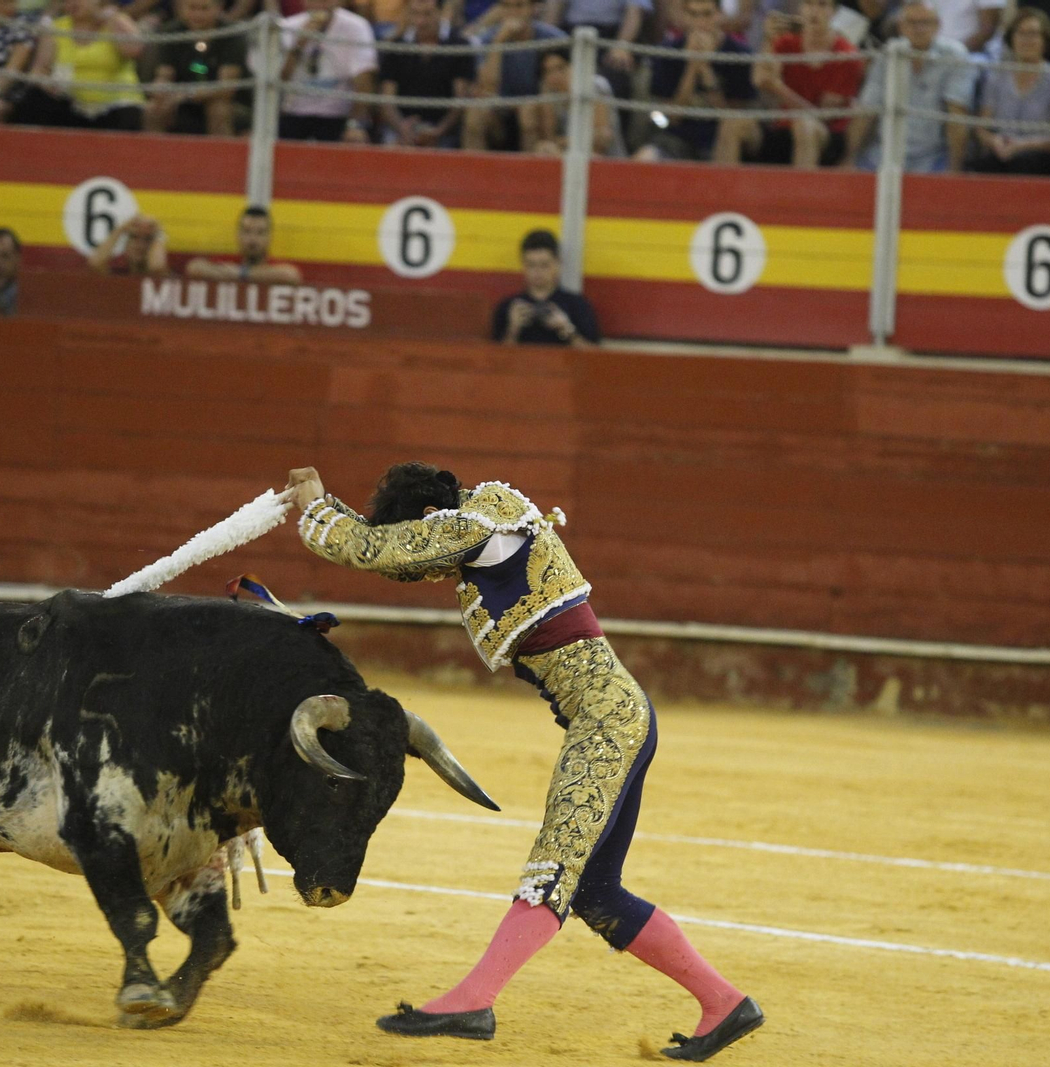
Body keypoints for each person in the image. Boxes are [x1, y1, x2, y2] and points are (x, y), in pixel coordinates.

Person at [280, 461, 764, 1062]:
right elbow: (403, 553)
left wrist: (315, 510)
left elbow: (385, 551)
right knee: (595, 892)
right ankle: (724, 1004)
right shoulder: (488, 523)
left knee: (553, 870)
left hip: (606, 724)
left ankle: (474, 1000)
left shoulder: (478, 521)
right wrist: (329, 507)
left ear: (434, 515)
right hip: (613, 717)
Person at [720, 0, 866, 167]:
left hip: (826, 136)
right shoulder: (786, 43)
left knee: (804, 127)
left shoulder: (846, 55)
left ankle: (803, 192)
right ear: (801, 8)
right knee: (732, 123)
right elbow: (759, 78)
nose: (814, 11)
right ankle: (720, 191)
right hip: (783, 129)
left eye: (822, 4)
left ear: (833, 12)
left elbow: (823, 117)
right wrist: (768, 39)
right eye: (809, 4)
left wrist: (778, 88)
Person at [841, 0, 977, 170]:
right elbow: (866, 112)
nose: (918, 28)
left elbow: (957, 116)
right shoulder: (887, 55)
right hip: (882, 155)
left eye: (925, 22)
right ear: (901, 26)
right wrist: (849, 158)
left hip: (934, 158)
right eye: (912, 22)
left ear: (938, 25)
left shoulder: (956, 56)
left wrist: (955, 169)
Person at [639, 0, 756, 163]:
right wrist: (692, 68)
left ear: (720, 15)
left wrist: (706, 69)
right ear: (684, 17)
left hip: (721, 139)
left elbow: (731, 118)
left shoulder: (740, 55)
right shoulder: (667, 53)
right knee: (644, 158)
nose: (700, 22)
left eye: (707, 14)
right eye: (693, 14)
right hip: (676, 138)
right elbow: (667, 119)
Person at [968, 7, 1050, 175]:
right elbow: (982, 127)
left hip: (1041, 156)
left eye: (1033, 34)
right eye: (1021, 33)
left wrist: (1021, 145)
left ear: (1045, 39)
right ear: (1012, 38)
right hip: (1002, 151)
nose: (1027, 40)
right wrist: (995, 141)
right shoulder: (995, 76)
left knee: (1022, 165)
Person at [14, 0, 145, 130]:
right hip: (69, 103)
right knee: (35, 98)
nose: (72, 3)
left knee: (127, 115)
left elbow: (134, 50)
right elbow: (38, 70)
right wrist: (49, 85)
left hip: (115, 105)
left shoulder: (116, 21)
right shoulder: (56, 28)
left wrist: (112, 17)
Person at [264, 0, 377, 142]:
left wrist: (354, 124)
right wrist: (300, 43)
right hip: (294, 113)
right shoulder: (288, 26)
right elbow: (277, 80)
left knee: (356, 137)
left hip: (338, 115)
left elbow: (364, 81)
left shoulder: (357, 27)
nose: (320, 4)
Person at [465, 0, 568, 150]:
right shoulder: (486, 39)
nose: (513, 12)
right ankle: (473, 172)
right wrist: (499, 42)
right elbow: (487, 89)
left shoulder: (553, 38)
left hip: (539, 111)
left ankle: (530, 170)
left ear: (533, 8)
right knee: (475, 115)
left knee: (528, 112)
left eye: (519, 6)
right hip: (499, 112)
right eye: (506, 6)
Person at [377, 0, 475, 148]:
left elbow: (460, 99)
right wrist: (402, 128)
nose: (420, 22)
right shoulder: (396, 46)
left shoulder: (460, 45)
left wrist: (439, 131)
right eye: (415, 14)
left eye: (427, 14)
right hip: (400, 128)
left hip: (445, 133)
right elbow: (386, 99)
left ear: (442, 13)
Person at [145, 0, 246, 135]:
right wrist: (160, 90)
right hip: (181, 100)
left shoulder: (231, 35)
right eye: (192, 8)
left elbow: (226, 89)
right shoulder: (171, 32)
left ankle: (219, 155)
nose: (198, 14)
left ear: (219, 8)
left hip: (231, 103)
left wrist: (187, 94)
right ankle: (155, 154)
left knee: (218, 109)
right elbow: (164, 74)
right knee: (154, 109)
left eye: (204, 9)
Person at [491, 229, 600, 346]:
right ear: (523, 265)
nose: (537, 272)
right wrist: (513, 329)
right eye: (531, 265)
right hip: (521, 364)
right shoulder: (508, 306)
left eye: (544, 265)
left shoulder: (577, 305)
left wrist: (567, 330)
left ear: (557, 263)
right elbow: (495, 360)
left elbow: (594, 356)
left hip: (563, 364)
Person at [525, 47, 624, 154]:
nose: (555, 76)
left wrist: (563, 142)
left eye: (560, 68)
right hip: (567, 154)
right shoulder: (551, 95)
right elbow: (550, 139)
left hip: (604, 159)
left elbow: (602, 138)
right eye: (548, 72)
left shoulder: (595, 86)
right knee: (543, 149)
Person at [185, 205, 304, 281]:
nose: (253, 239)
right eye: (247, 231)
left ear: (270, 237)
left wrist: (241, 274)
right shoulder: (227, 262)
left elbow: (291, 275)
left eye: (260, 232)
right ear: (238, 235)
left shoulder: (275, 267)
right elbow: (194, 267)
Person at [88, 213, 170, 275]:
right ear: (126, 245)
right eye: (134, 237)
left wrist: (159, 233)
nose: (140, 245)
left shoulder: (162, 275)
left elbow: (156, 267)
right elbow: (95, 263)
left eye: (147, 240)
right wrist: (120, 229)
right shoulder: (119, 274)